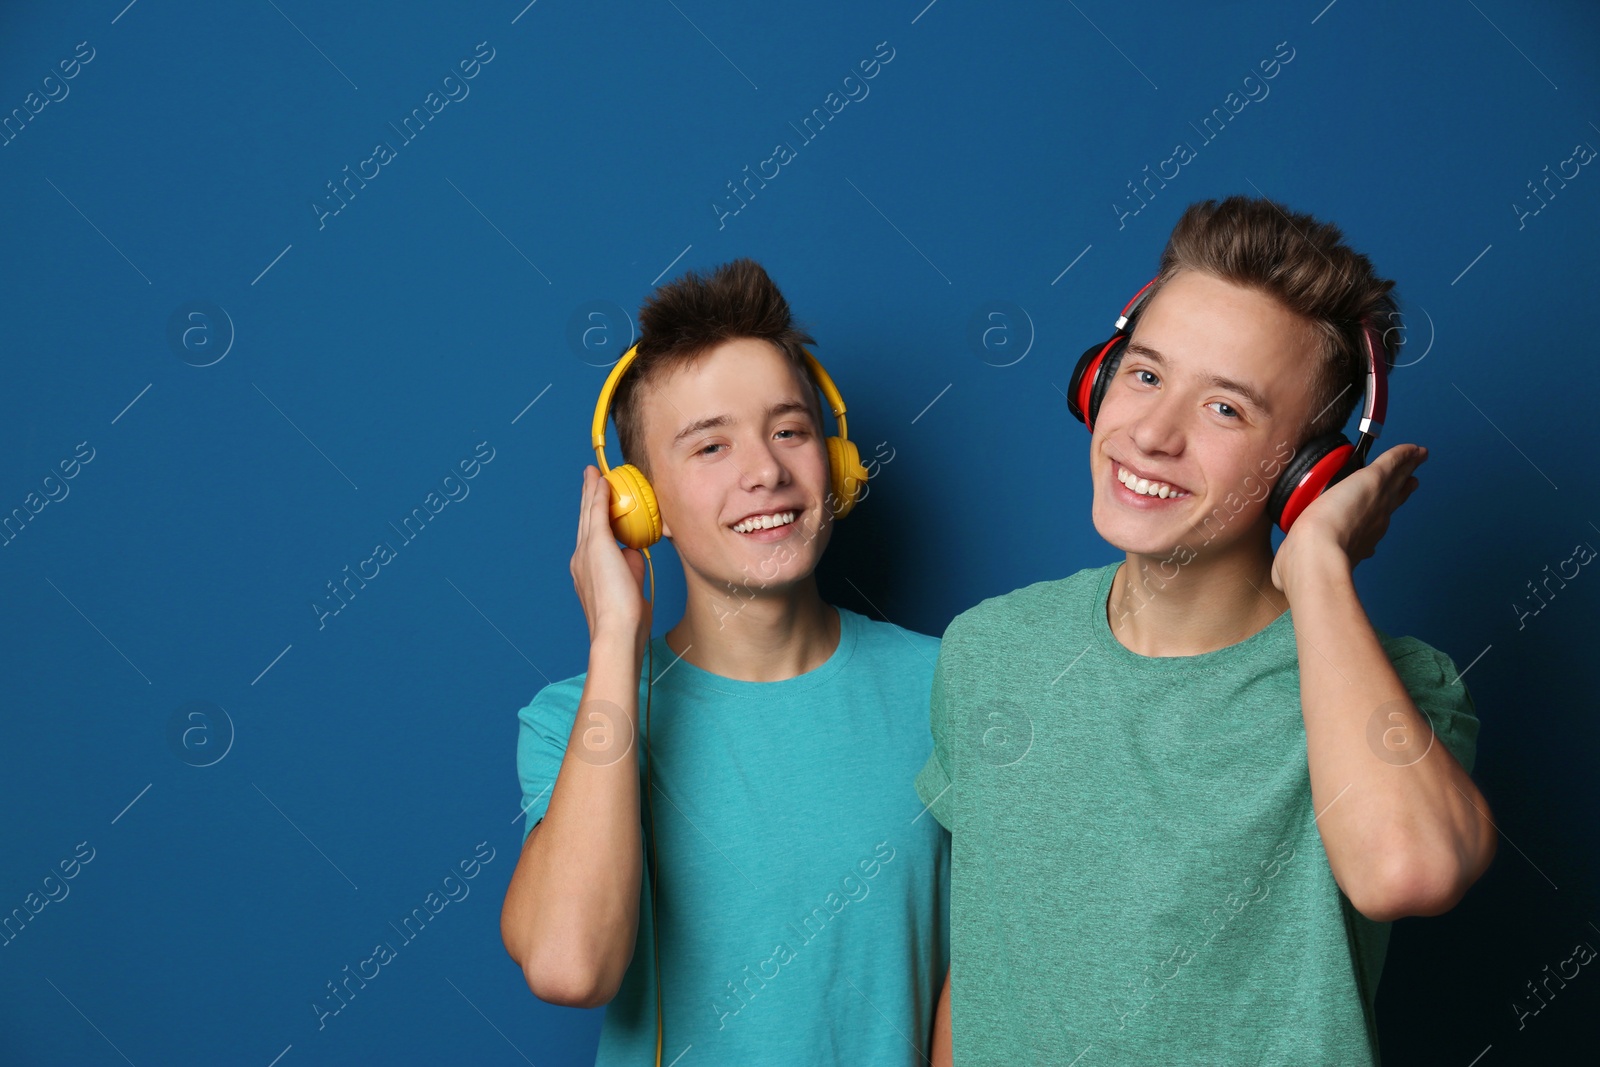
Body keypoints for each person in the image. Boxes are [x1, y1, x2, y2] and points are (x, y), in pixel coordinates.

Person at [917, 196, 1496, 1065]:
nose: (1150, 433)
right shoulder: (989, 650)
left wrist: (1319, 564)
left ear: (1312, 470)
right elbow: (987, 962)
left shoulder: (1396, 688)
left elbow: (1407, 870)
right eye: (1145, 374)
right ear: (1097, 379)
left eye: (1226, 409)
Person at [501, 258, 949, 1065]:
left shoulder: (950, 685)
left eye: (790, 430)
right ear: (639, 504)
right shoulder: (578, 719)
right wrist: (615, 639)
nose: (765, 471)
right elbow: (570, 966)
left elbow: (984, 987)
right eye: (710, 446)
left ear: (838, 463)